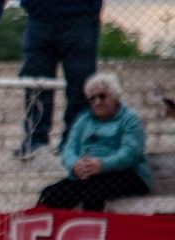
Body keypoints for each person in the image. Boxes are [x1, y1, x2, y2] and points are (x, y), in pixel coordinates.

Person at [37, 73, 150, 212]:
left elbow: (130, 153)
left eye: (102, 96)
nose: (97, 102)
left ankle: (92, 225)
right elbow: (69, 149)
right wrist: (75, 165)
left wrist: (102, 165)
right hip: (89, 176)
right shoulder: (83, 120)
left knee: (93, 190)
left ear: (115, 97)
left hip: (128, 174)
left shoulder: (129, 119)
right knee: (50, 194)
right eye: (92, 98)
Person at [14, 0, 101, 160]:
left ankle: (74, 142)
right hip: (38, 17)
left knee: (81, 86)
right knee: (35, 84)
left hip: (80, 17)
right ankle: (35, 141)